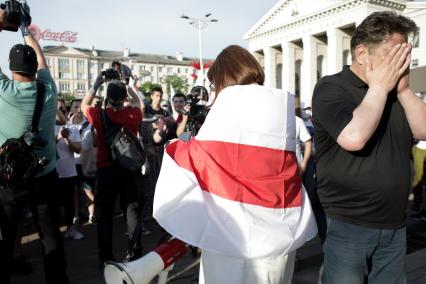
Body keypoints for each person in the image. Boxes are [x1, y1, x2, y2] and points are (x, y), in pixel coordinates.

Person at [153, 45, 316, 284]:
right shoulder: (280, 103)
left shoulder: (231, 101)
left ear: (223, 78)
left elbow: (203, 156)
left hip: (234, 233)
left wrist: (176, 144)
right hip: (280, 225)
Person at [312, 11, 426, 283]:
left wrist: (404, 91)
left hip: (395, 224)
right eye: (393, 53)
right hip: (349, 224)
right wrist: (379, 87)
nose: (401, 61)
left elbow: (423, 130)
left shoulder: (396, 93)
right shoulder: (332, 88)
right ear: (362, 54)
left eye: (404, 53)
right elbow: (353, 138)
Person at [0, 8, 68, 284]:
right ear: (33, 70)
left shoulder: (6, 92)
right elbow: (41, 59)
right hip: (44, 175)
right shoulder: (48, 90)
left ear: (12, 69)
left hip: (10, 178)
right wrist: (26, 29)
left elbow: (36, 61)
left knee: (5, 235)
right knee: (51, 236)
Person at [81, 78, 143, 265]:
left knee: (106, 215)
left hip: (106, 170)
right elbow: (139, 103)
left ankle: (106, 257)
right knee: (132, 214)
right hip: (130, 170)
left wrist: (98, 82)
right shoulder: (133, 114)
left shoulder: (98, 114)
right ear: (124, 97)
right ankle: (134, 255)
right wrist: (130, 86)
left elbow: (84, 104)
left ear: (107, 97)